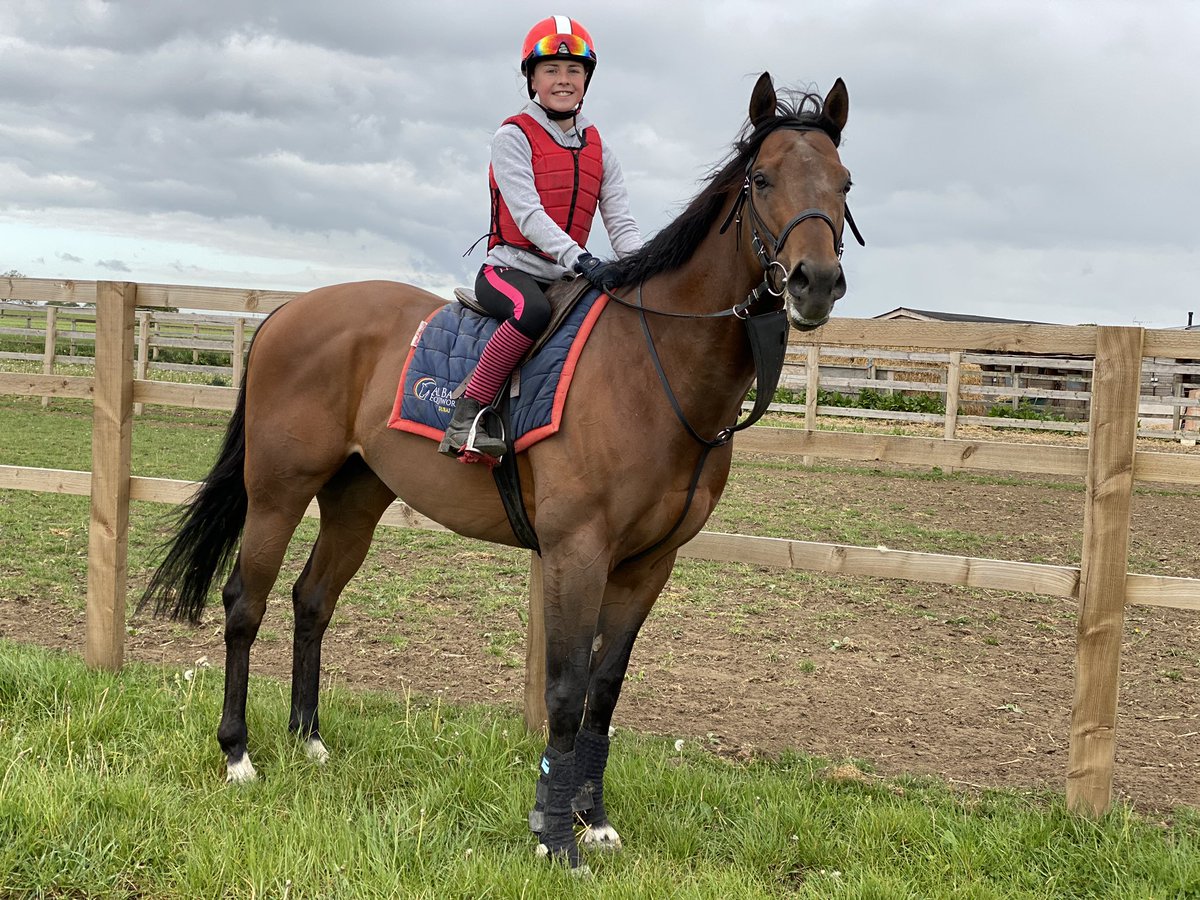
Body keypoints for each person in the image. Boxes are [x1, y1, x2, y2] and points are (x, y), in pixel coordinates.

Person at [440, 14, 642, 459]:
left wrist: (644, 269)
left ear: (587, 80)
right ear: (531, 77)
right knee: (530, 312)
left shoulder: (601, 148)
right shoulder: (512, 136)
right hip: (510, 272)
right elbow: (528, 215)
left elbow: (621, 222)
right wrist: (582, 259)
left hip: (567, 277)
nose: (563, 80)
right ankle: (467, 416)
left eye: (574, 71)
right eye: (551, 69)